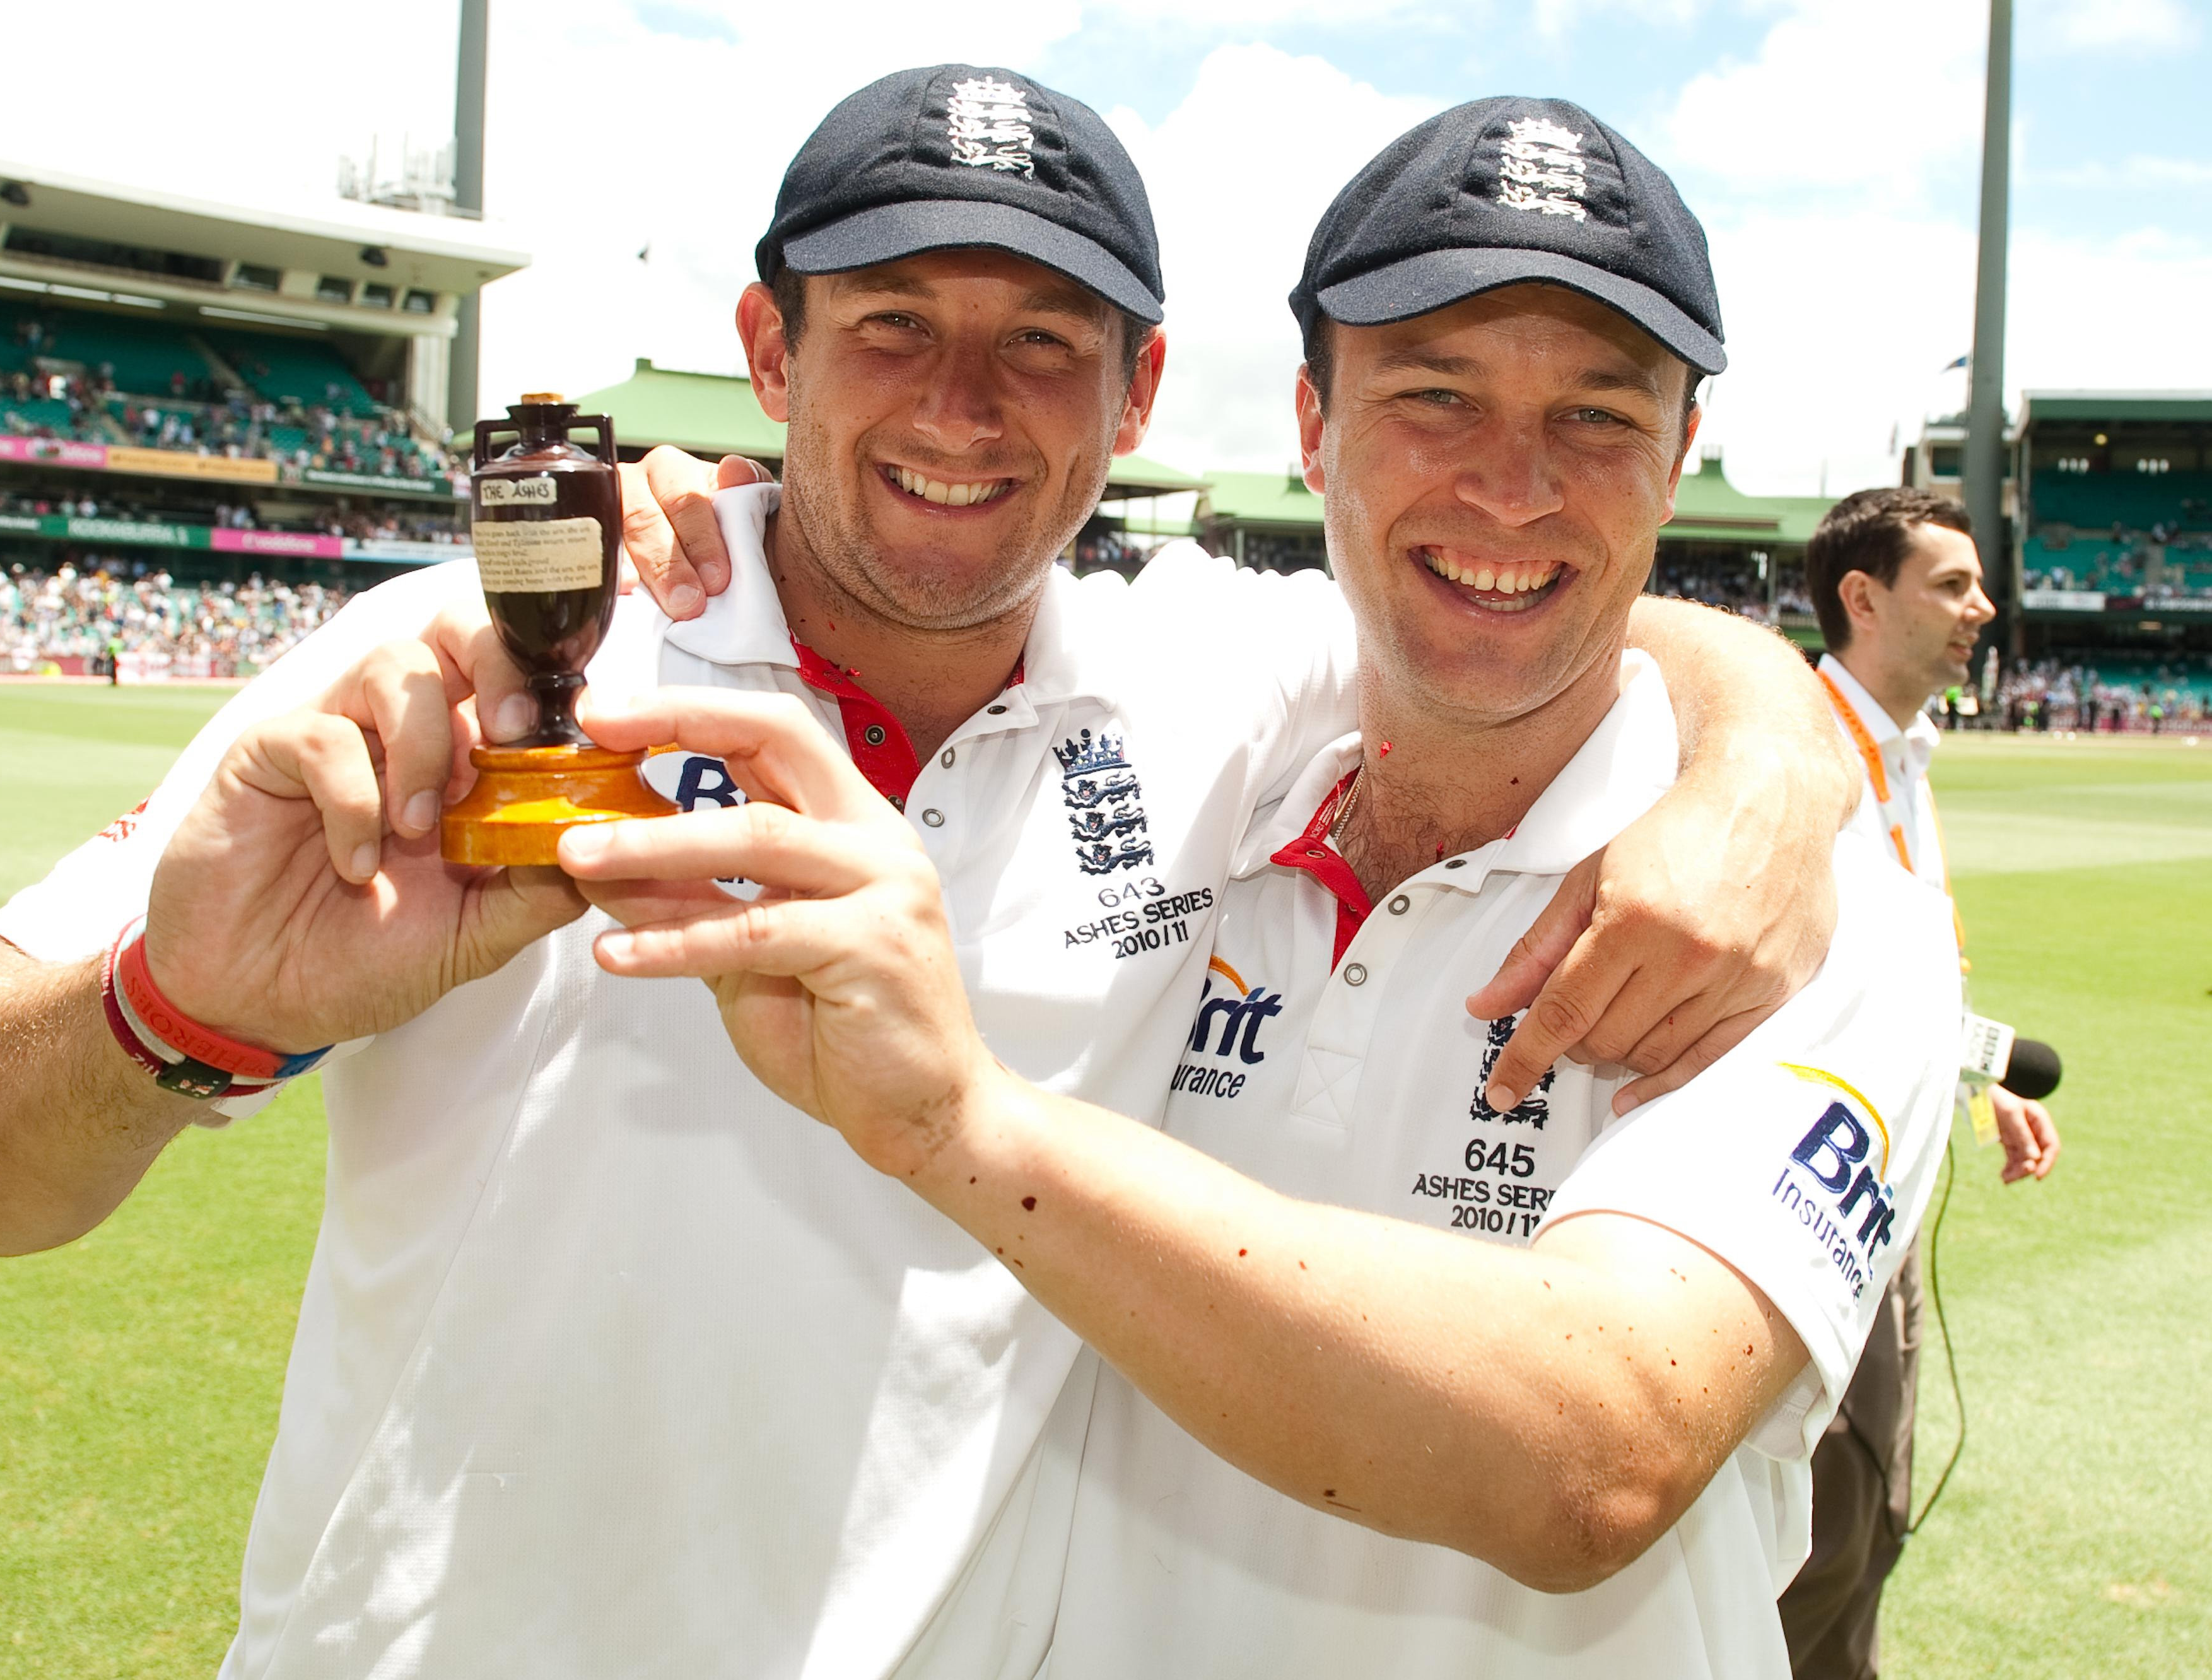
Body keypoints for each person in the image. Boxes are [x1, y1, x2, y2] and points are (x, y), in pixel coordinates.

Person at [0, 71, 1852, 1675]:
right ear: (764, 350)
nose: (963, 409)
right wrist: (176, 1012)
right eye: (891, 325)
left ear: (1139, 390)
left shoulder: (1207, 675)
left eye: (1043, 345)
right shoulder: (485, 653)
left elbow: (1525, 581)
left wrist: (1761, 764)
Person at [559, 98, 1958, 1676]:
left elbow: (1599, 1449)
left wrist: (969, 1128)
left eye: (1594, 418)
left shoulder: (1811, 913)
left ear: (1678, 455)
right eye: (1433, 396)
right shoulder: (1204, 748)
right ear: (1312, 427)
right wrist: (696, 549)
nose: (1510, 488)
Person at [1791, 486, 2063, 1680]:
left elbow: (1899, 965)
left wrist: (1976, 1073)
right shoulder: (1792, 750)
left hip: (1892, 1183)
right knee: (1826, 1526)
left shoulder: (1906, 744)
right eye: (1952, 584)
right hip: (1811, 1194)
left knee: (1872, 1514)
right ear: (1864, 598)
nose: (1983, 609)